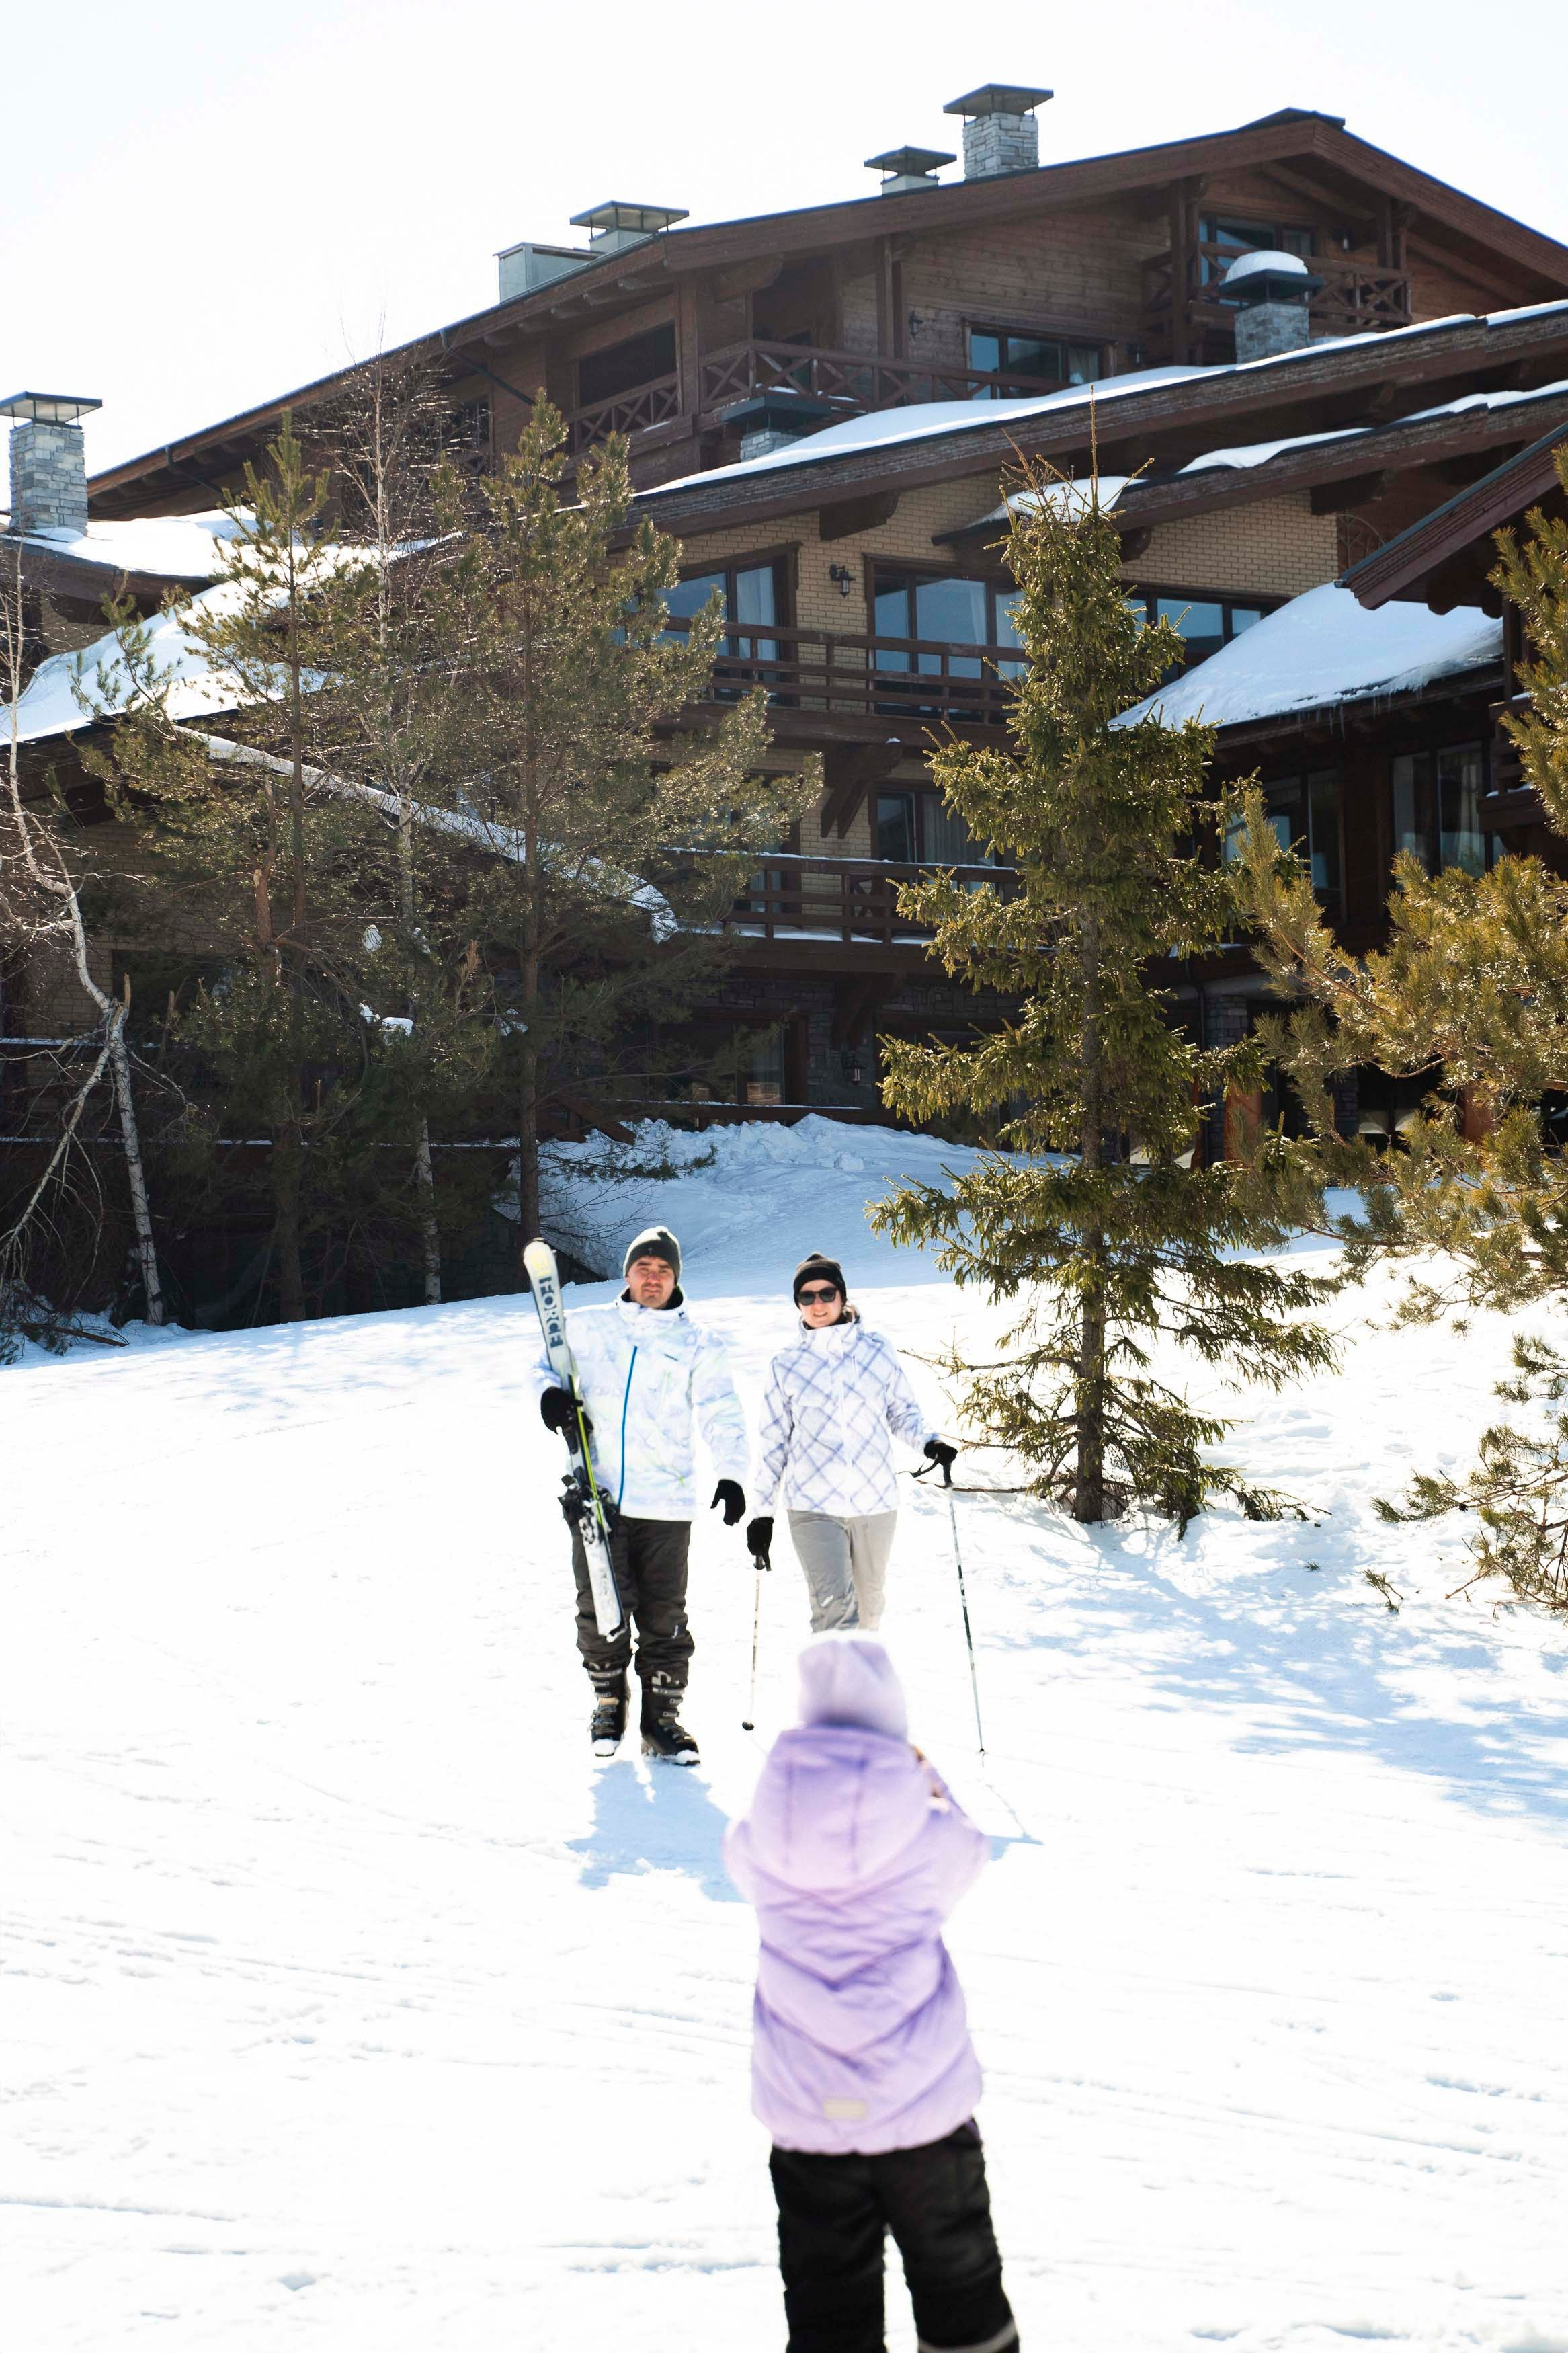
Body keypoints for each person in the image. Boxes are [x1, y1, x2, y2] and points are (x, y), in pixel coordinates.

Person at [726, 1634, 1017, 2353]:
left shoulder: (761, 1832)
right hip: (920, 2108)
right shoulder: (924, 1837)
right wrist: (926, 1777)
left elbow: (736, 1849)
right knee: (960, 2287)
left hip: (806, 2113)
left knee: (828, 2307)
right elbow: (971, 1848)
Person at [533, 1224, 747, 1763]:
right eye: (643, 1268)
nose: (652, 1278)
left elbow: (723, 1412)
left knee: (664, 1614)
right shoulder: (589, 1329)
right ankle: (609, 1701)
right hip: (596, 1495)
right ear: (627, 1273)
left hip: (667, 1502)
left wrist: (731, 1473)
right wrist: (550, 1400)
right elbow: (544, 1367)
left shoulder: (699, 1343)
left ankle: (663, 1720)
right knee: (599, 1605)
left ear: (675, 1278)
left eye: (663, 1270)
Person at [746, 1252, 956, 1633]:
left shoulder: (875, 1350)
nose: (818, 1304)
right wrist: (762, 1514)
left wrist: (929, 1443)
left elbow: (901, 1412)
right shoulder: (786, 1364)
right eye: (807, 1297)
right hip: (811, 1505)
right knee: (835, 1614)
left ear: (842, 1296)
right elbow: (773, 1443)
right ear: (798, 1304)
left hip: (874, 1501)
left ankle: (860, 1690)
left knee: (869, 1610)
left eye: (826, 1293)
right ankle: (837, 1693)